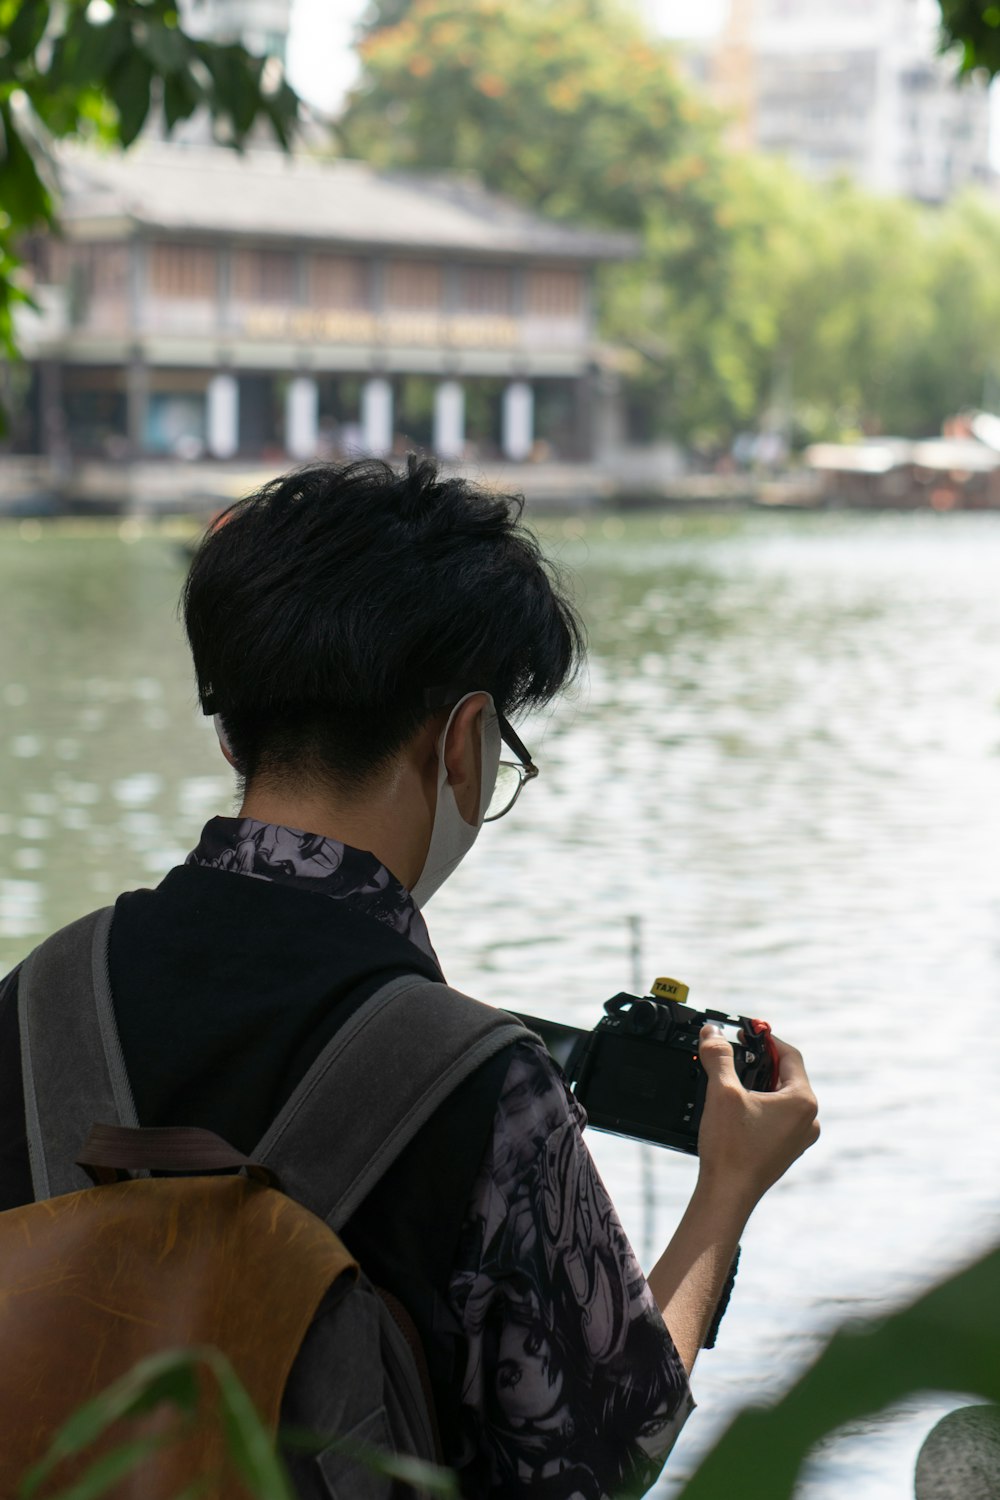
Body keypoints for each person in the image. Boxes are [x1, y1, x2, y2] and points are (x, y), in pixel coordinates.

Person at [0, 457, 819, 1497]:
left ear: (228, 728)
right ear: (465, 744)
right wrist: (727, 1194)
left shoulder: (32, 1005)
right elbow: (601, 1455)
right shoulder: (481, 1084)